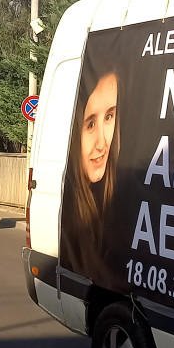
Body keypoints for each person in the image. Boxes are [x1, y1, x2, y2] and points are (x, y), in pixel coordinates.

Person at [60, 64, 120, 281]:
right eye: (90, 124)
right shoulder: (68, 216)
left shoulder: (115, 197)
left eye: (109, 116)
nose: (102, 144)